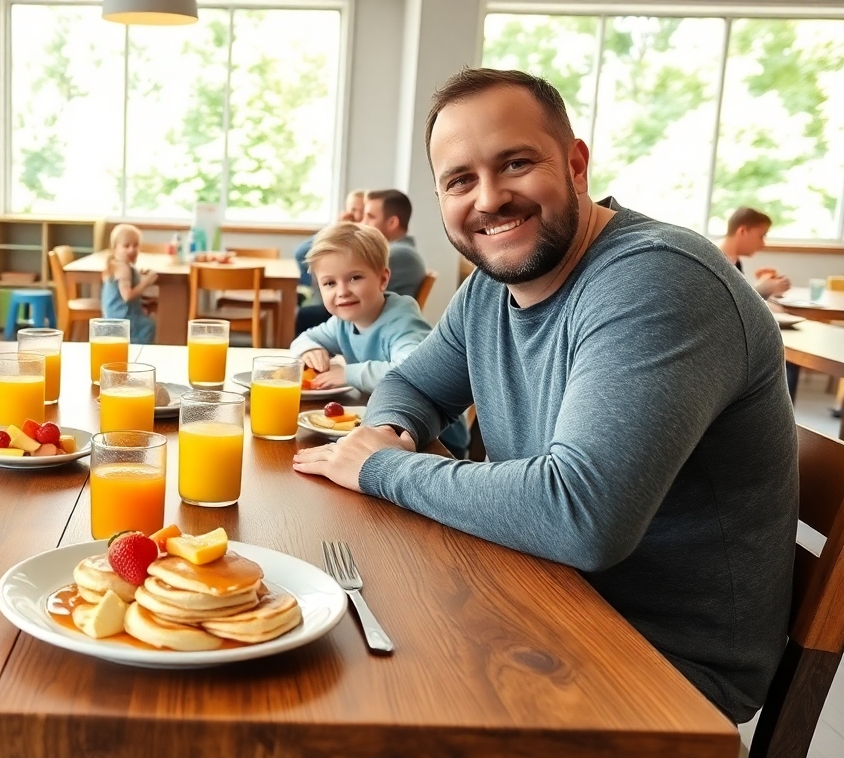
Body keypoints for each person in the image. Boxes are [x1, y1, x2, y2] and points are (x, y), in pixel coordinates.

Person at [293, 68, 796, 724]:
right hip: (536, 595)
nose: (491, 198)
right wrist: (391, 430)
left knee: (334, 710)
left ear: (576, 164)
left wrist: (380, 467)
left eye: (517, 163)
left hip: (656, 665)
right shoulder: (489, 291)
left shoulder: (654, 282)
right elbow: (413, 383)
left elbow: (580, 517)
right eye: (460, 180)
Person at [289, 222, 469, 457]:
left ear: (383, 279)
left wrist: (347, 374)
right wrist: (309, 349)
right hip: (384, 428)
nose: (342, 291)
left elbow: (411, 373)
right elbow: (304, 338)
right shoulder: (343, 322)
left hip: (434, 439)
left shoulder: (401, 321)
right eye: (330, 283)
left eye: (354, 278)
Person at [294, 190, 367, 336]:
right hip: (325, 300)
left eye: (358, 211)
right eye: (350, 210)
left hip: (346, 305)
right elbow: (301, 254)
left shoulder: (363, 244)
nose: (352, 215)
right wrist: (336, 229)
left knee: (303, 312)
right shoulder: (346, 239)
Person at [362, 189, 427, 298]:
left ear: (392, 223)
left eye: (370, 217)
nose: (363, 223)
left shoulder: (396, 254)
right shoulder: (403, 251)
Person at [100, 223, 157, 344]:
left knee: (146, 314)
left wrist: (138, 276)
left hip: (111, 316)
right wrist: (146, 282)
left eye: (136, 245)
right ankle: (137, 353)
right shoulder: (123, 268)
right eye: (126, 246)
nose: (132, 249)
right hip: (121, 319)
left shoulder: (118, 264)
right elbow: (127, 296)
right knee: (148, 325)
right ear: (115, 248)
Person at [720, 207, 789, 299]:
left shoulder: (735, 262)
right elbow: (725, 302)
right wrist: (761, 289)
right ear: (743, 231)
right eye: (761, 236)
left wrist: (768, 288)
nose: (763, 244)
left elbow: (738, 296)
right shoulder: (716, 262)